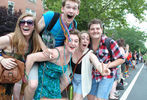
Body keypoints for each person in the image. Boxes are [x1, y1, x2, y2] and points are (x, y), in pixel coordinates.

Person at [24, 0, 81, 99]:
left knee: (66, 81)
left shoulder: (74, 25)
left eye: (74, 8)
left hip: (54, 58)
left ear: (77, 12)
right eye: (68, 7)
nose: (71, 10)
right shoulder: (51, 16)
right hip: (39, 54)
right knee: (33, 85)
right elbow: (35, 32)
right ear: (62, 8)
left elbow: (70, 43)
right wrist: (44, 48)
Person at [24, 29, 80, 99]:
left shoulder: (71, 53)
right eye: (70, 40)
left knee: (66, 81)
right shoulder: (54, 54)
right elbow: (30, 57)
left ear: (78, 44)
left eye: (76, 41)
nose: (73, 43)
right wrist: (26, 76)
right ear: (65, 42)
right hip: (43, 80)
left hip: (54, 82)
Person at [0, 13, 42, 100]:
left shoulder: (34, 42)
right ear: (19, 25)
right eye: (22, 22)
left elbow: (46, 52)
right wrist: (1, 59)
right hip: (4, 81)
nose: (25, 24)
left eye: (29, 22)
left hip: (18, 80)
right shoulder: (10, 39)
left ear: (34, 26)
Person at [87, 19, 125, 100]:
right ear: (89, 31)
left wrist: (107, 65)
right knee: (90, 98)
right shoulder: (87, 43)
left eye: (97, 28)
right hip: (93, 74)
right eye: (92, 29)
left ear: (101, 30)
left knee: (99, 98)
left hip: (108, 75)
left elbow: (121, 59)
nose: (95, 31)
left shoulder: (109, 42)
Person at [71, 31, 111, 100]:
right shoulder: (72, 50)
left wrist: (102, 70)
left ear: (89, 42)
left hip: (83, 81)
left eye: (87, 39)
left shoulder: (89, 54)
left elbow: (97, 64)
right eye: (83, 38)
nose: (85, 41)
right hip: (72, 80)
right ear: (79, 40)